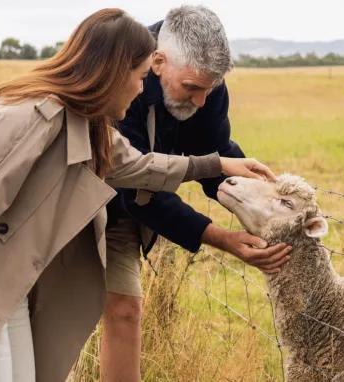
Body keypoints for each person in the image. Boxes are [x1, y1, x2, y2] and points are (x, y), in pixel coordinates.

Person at [0, 8, 275, 382]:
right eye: (140, 77)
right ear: (128, 71)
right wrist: (221, 237)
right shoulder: (26, 118)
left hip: (15, 282)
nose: (140, 89)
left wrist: (225, 169)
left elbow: (139, 166)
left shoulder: (94, 123)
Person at [100, 5, 292, 381]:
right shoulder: (121, 79)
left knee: (125, 310)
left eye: (211, 89)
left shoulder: (206, 86)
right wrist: (221, 238)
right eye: (192, 88)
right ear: (158, 63)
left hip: (133, 204)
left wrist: (272, 204)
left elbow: (215, 158)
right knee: (65, 314)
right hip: (86, 199)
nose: (202, 101)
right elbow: (136, 183)